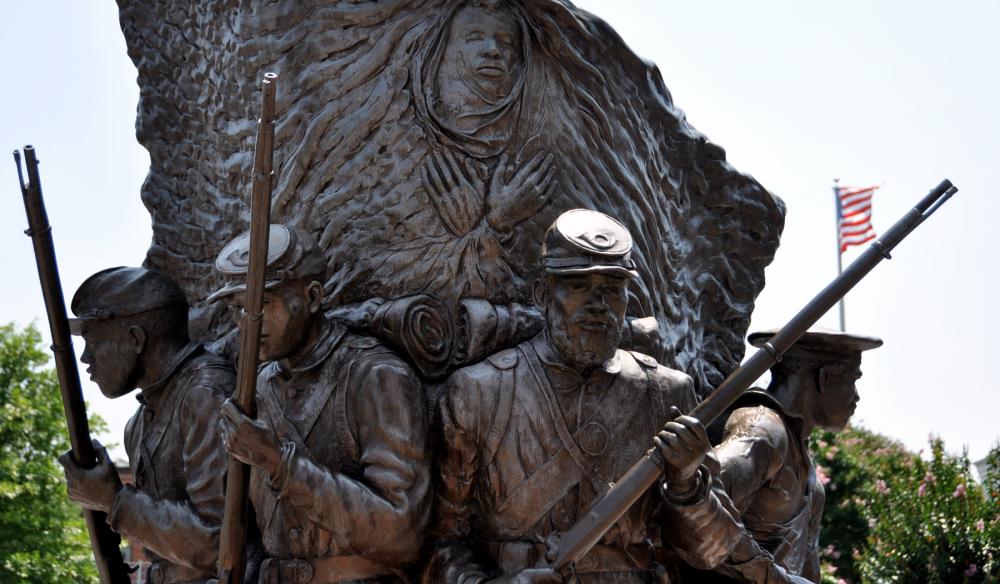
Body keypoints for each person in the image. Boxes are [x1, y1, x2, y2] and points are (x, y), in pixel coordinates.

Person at [424, 209, 748, 584]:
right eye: (579, 285)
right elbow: (443, 544)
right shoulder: (478, 393)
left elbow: (711, 552)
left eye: (612, 288)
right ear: (543, 294)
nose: (599, 304)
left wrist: (687, 485)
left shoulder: (667, 393)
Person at [211, 224, 432, 584]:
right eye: (238, 308)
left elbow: (403, 535)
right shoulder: (256, 388)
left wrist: (278, 463)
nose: (248, 323)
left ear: (313, 297)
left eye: (263, 303)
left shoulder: (376, 377)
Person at [60, 266, 235, 584]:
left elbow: (218, 543)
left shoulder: (205, 393)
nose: (86, 357)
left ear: (135, 338)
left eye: (92, 341)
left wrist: (114, 500)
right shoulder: (138, 424)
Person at [709, 329, 881, 583]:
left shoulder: (797, 446)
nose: (856, 396)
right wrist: (768, 573)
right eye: (852, 379)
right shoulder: (763, 431)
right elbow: (700, 510)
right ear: (824, 377)